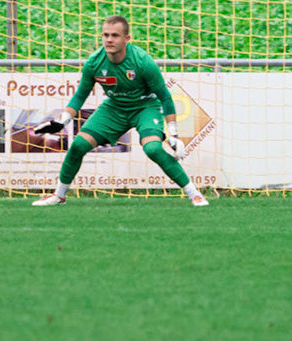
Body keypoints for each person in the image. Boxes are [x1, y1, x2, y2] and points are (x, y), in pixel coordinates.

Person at [30, 15, 207, 207]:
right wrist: (62, 120)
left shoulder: (142, 61)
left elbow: (164, 96)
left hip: (145, 107)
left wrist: (173, 134)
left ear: (126, 38)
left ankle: (194, 194)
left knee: (153, 149)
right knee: (78, 145)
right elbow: (80, 95)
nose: (109, 40)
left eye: (115, 35)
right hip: (114, 107)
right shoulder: (94, 62)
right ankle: (59, 196)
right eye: (105, 35)